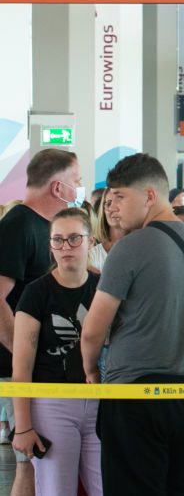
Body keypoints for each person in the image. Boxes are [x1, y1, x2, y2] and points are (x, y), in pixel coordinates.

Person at [79, 153, 184, 495]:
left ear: (150, 196)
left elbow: (93, 330)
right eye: (109, 199)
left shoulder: (130, 247)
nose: (112, 208)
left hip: (135, 395)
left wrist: (92, 370)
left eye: (120, 197)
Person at [0, 148, 81, 496]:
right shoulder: (18, 226)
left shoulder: (41, 227)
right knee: (30, 465)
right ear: (58, 187)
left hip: (41, 370)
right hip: (19, 371)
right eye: (76, 181)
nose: (78, 188)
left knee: (41, 465)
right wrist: (22, 355)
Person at [11, 208, 101, 495]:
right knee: (56, 490)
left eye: (75, 238)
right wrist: (23, 426)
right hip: (52, 404)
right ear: (50, 245)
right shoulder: (36, 293)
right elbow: (21, 367)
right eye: (58, 240)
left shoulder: (103, 288)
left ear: (91, 241)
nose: (66, 247)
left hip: (100, 403)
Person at [89, 188, 127, 271]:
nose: (112, 208)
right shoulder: (93, 255)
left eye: (119, 202)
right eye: (108, 204)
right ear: (103, 210)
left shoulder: (141, 249)